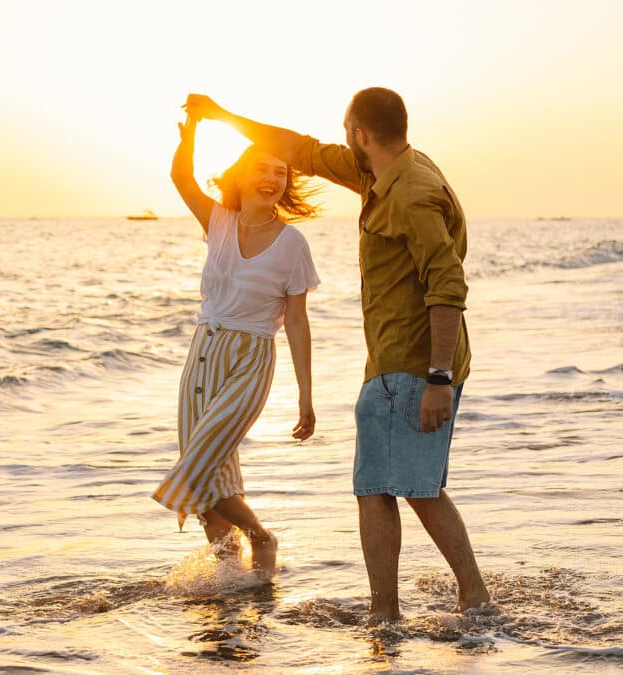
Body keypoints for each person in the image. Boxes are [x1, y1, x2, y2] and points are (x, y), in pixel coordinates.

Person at [184, 89, 491, 620]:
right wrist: (223, 117)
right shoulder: (381, 172)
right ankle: (449, 600)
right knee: (408, 488)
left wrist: (438, 378)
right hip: (397, 363)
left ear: (360, 133)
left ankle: (398, 612)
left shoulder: (412, 193)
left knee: (384, 489)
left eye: (347, 132)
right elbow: (300, 150)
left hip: (413, 365)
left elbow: (446, 283)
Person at [151, 105, 321, 582]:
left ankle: (261, 537)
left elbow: (298, 323)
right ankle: (232, 578)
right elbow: (180, 177)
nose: (272, 179)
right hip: (202, 355)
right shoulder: (218, 221)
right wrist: (192, 134)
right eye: (263, 169)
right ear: (242, 174)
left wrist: (306, 396)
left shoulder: (293, 245)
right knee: (213, 475)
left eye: (280, 172)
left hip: (250, 360)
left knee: (198, 463)